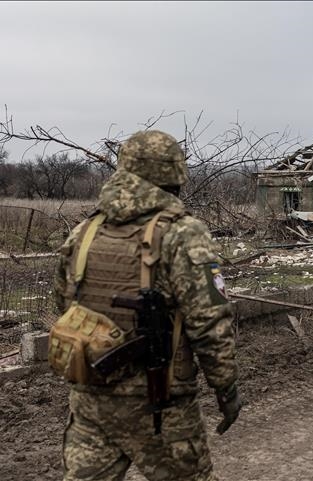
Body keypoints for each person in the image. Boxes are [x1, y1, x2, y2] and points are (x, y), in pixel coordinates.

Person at [52, 130, 241, 481]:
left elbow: (65, 304)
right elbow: (210, 323)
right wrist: (225, 387)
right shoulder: (183, 234)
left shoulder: (84, 232)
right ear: (174, 174)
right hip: (159, 404)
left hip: (91, 399)